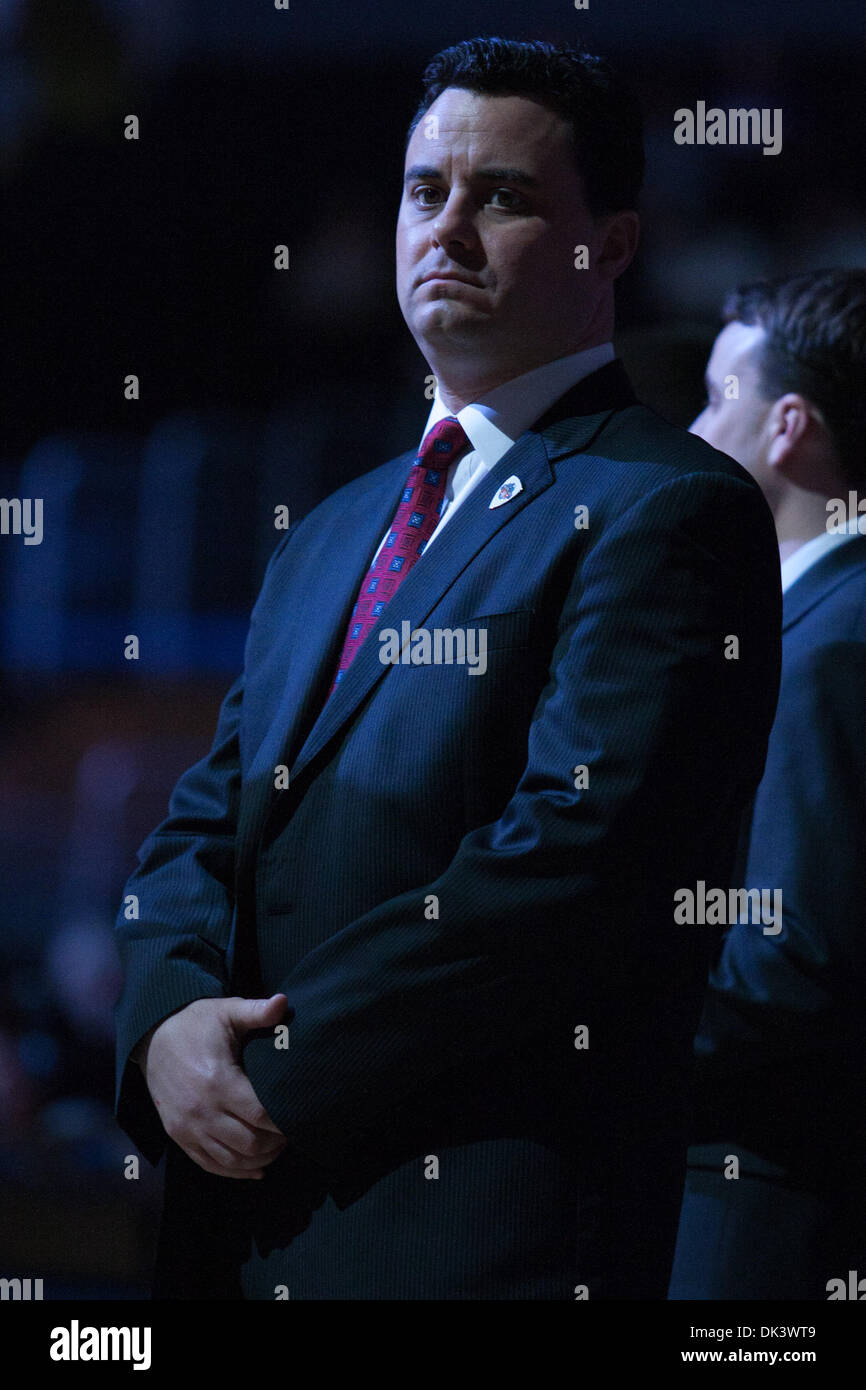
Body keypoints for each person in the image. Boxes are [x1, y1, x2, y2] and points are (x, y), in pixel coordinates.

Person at [113, 37, 781, 1300]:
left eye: (506, 196)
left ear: (614, 246)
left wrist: (267, 1068)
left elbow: (571, 866)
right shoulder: (329, 530)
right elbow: (202, 825)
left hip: (470, 1235)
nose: (450, 228)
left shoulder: (666, 504)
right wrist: (162, 1023)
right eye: (426, 191)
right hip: (243, 1220)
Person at [669, 268, 866, 1300]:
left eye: (715, 396)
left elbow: (785, 962)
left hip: (764, 1213)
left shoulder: (829, 640)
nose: (695, 429)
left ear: (786, 424)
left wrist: (579, 1026)